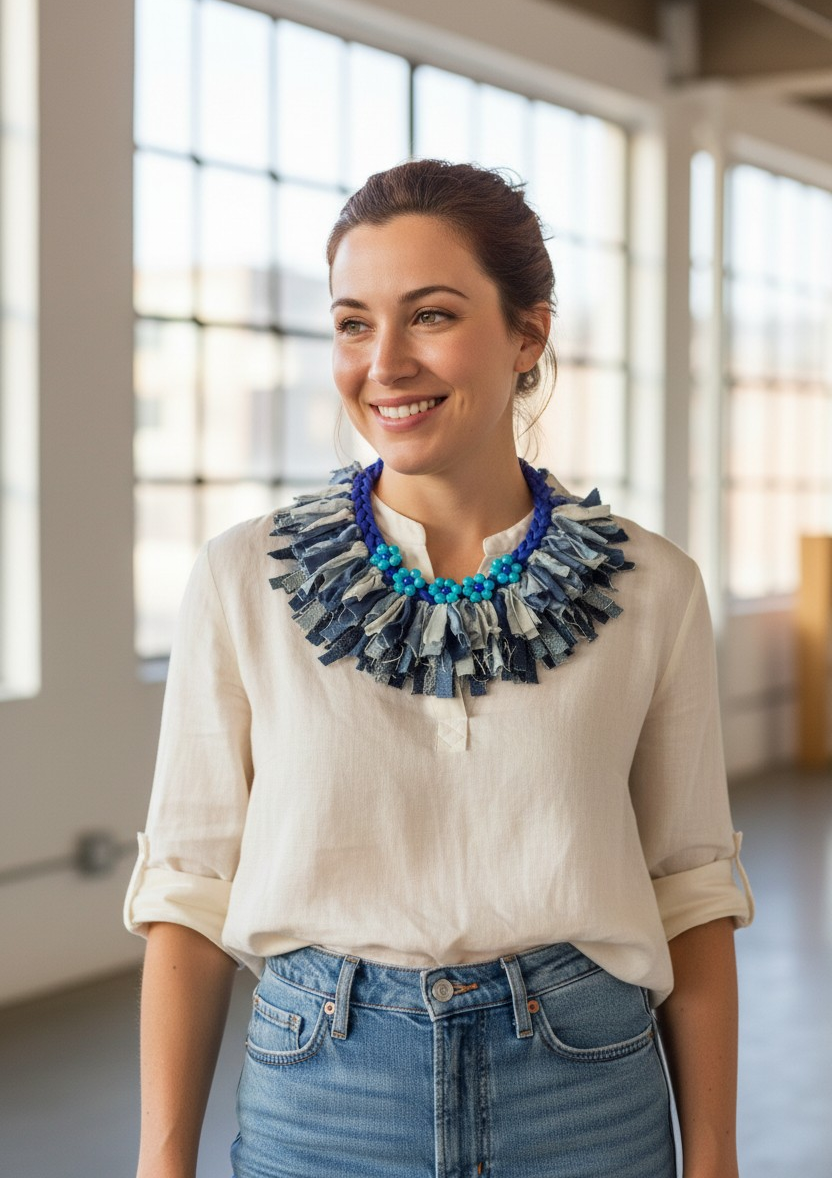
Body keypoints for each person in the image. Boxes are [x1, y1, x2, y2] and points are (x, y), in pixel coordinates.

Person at [124, 158, 755, 1178]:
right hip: (322, 1096)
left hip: (586, 1092)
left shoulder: (654, 587)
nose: (384, 363)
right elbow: (189, 892)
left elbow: (689, 889)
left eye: (430, 316)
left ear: (527, 335)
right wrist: (162, 1162)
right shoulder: (244, 576)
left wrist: (715, 1156)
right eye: (353, 323)